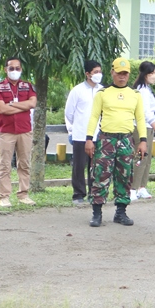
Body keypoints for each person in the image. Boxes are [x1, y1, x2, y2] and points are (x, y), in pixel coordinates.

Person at [85, 58, 147, 227]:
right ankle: (97, 213)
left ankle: (121, 212)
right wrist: (89, 139)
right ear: (112, 72)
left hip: (126, 140)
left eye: (125, 73)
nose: (122, 77)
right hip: (106, 139)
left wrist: (143, 140)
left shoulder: (135, 95)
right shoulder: (103, 94)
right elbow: (94, 117)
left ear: (129, 74)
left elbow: (140, 118)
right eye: (119, 73)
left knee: (125, 175)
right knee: (100, 174)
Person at [0, 57, 37, 207]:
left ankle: (23, 194)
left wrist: (12, 104)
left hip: (25, 130)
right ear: (6, 70)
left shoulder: (28, 86)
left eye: (18, 68)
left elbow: (32, 103)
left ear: (21, 70)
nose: (15, 71)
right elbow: (1, 108)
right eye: (11, 68)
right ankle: (4, 196)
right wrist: (22, 106)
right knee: (5, 164)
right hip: (7, 131)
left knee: (24, 163)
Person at [64, 60, 103, 205]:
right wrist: (77, 127)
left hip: (98, 134)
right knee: (79, 165)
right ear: (88, 74)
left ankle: (94, 193)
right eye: (95, 72)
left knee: (96, 166)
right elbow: (69, 113)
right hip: (81, 134)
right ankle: (78, 194)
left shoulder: (102, 90)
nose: (98, 75)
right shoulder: (78, 90)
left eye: (100, 72)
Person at [131, 61, 155, 201]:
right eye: (152, 73)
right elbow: (147, 114)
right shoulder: (141, 91)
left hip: (149, 127)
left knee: (147, 159)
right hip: (142, 127)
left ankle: (142, 187)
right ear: (145, 74)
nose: (154, 76)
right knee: (140, 157)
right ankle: (133, 188)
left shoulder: (147, 89)